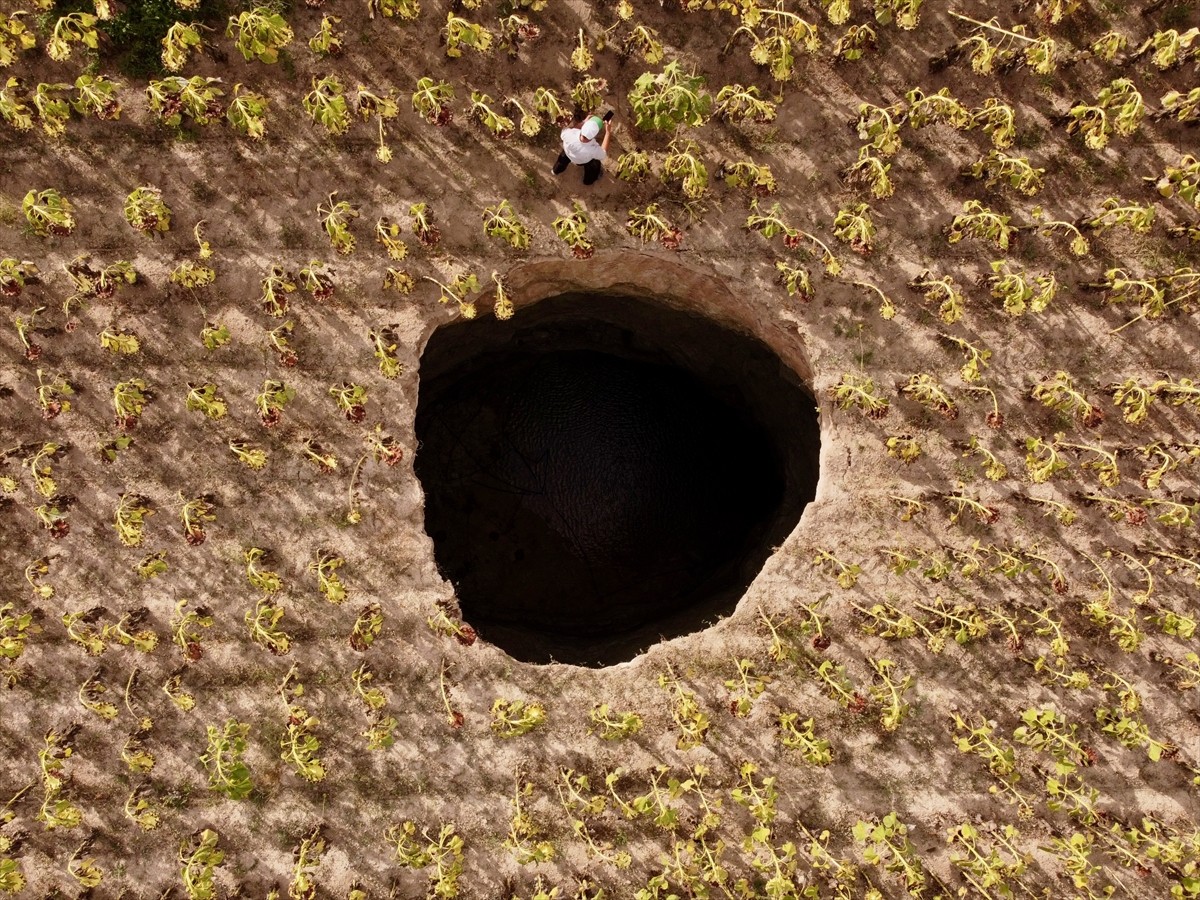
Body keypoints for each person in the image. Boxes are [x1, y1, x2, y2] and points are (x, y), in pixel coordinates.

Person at [553, 113, 615, 186]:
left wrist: (584, 121)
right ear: (594, 136)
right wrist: (608, 132)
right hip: (580, 161)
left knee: (562, 159)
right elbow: (603, 153)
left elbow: (575, 128)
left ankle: (555, 171)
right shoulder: (592, 149)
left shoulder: (568, 133)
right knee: (595, 164)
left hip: (568, 152)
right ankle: (588, 181)